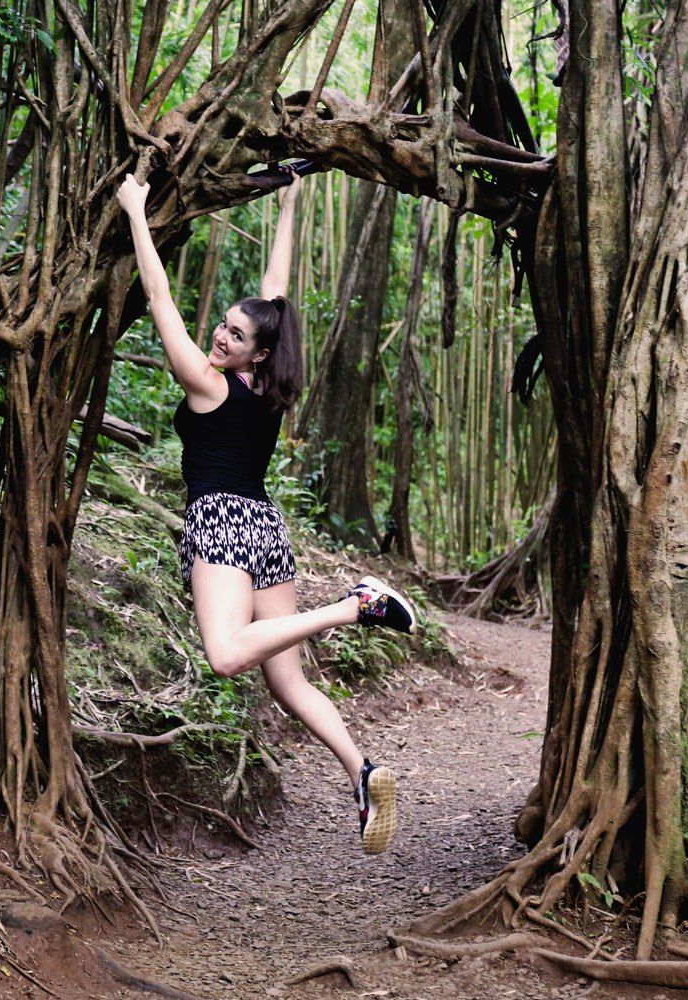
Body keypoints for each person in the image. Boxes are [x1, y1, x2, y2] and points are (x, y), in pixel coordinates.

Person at [115, 168, 419, 855]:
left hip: (222, 522)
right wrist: (290, 200)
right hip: (266, 528)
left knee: (226, 657)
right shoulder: (268, 388)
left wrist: (137, 210)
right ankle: (363, 772)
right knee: (287, 682)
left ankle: (354, 607)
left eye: (232, 334)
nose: (220, 338)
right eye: (221, 327)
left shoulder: (206, 385)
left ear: (255, 351)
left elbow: (158, 293)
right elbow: (277, 292)